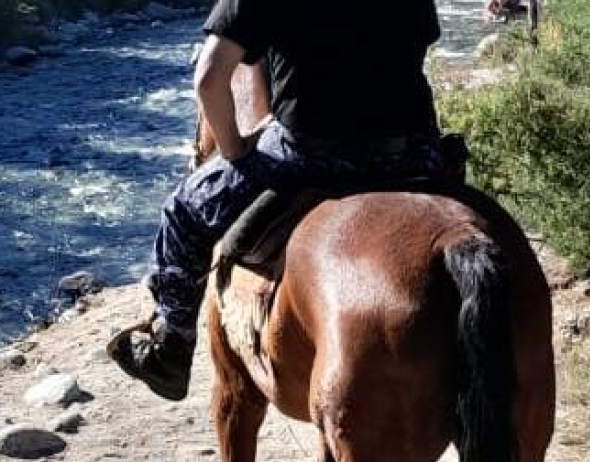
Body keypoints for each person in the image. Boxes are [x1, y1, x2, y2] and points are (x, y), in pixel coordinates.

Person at [109, 0, 450, 400]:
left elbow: (209, 80)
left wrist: (236, 152)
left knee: (182, 211)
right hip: (410, 151)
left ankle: (172, 346)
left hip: (310, 152)